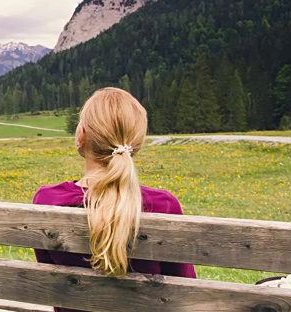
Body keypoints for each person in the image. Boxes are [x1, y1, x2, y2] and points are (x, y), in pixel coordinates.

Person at [33, 87, 196, 312]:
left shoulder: (47, 200)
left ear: (81, 135)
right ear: (136, 144)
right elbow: (186, 289)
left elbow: (49, 275)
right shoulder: (164, 206)